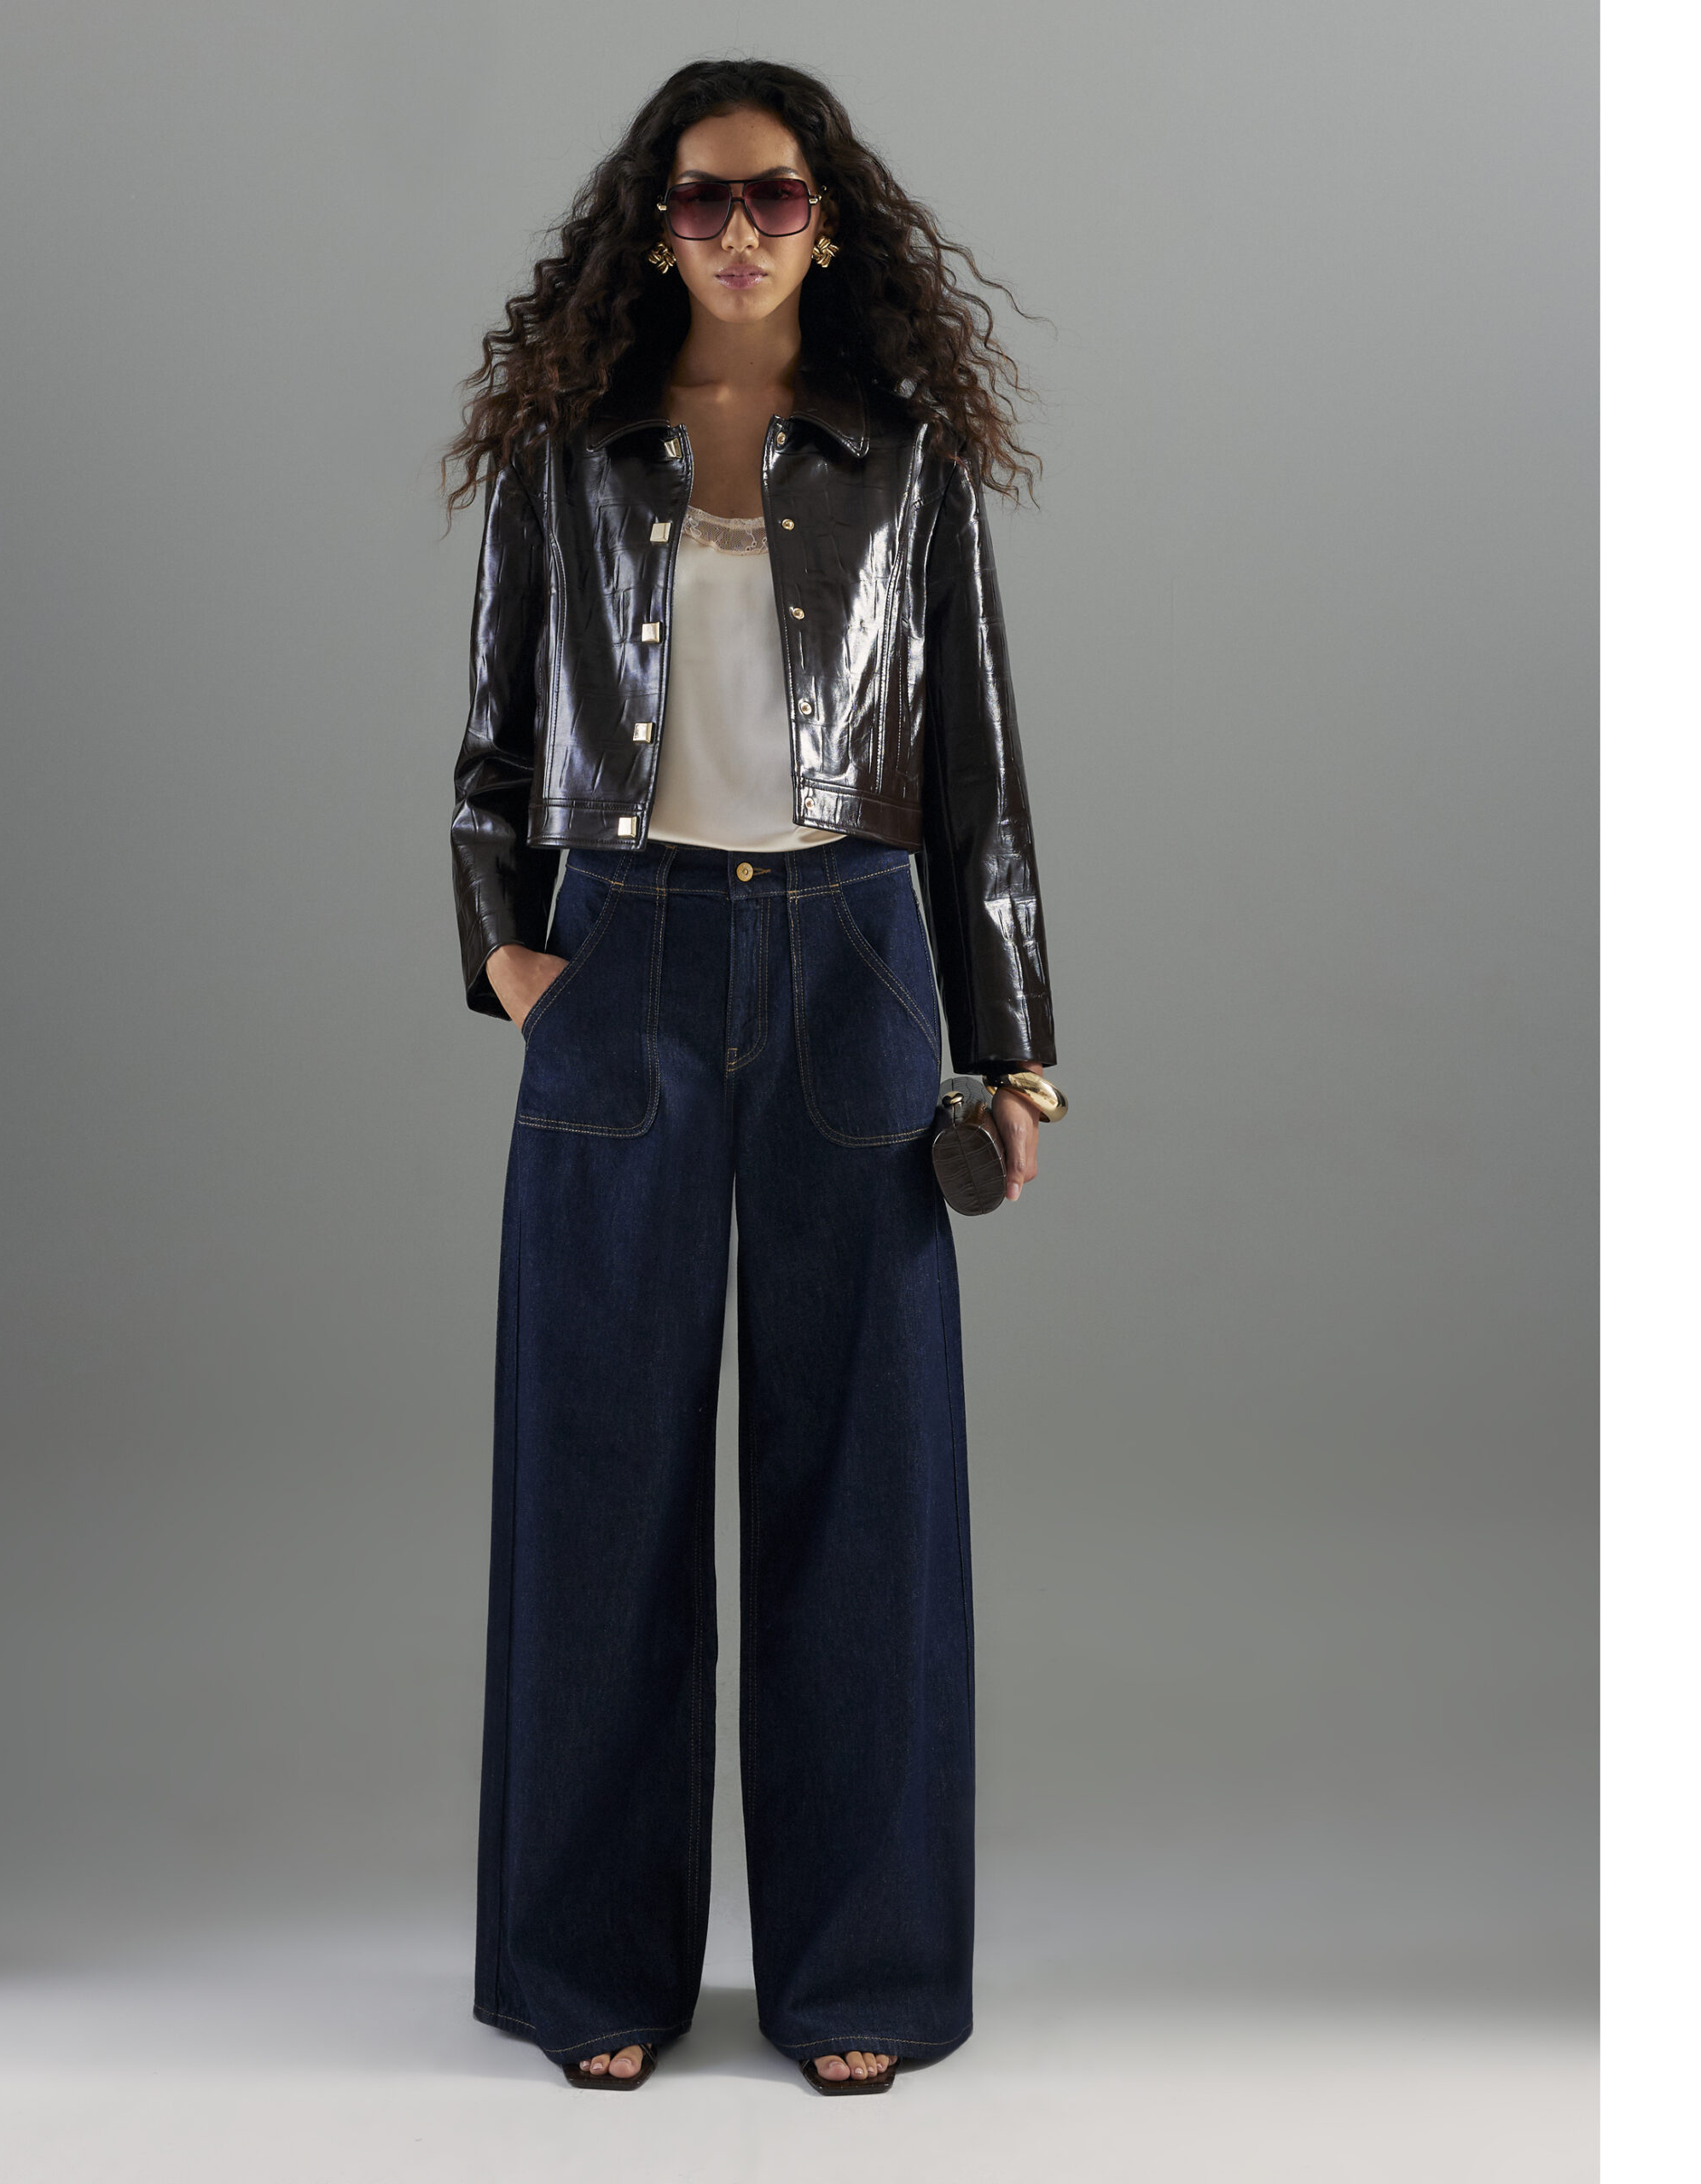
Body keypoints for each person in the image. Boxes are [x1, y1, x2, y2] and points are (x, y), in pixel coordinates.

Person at [444, 58, 1058, 2097]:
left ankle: (861, 1969)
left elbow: (975, 779)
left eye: (772, 196)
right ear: (653, 226)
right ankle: (584, 1966)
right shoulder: (566, 450)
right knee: (595, 1482)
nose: (736, 230)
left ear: (825, 220)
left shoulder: (903, 457)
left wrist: (1014, 1046)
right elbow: (487, 753)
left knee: (861, 1495)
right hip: (619, 960)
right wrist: (513, 959)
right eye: (702, 197)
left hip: (852, 961)